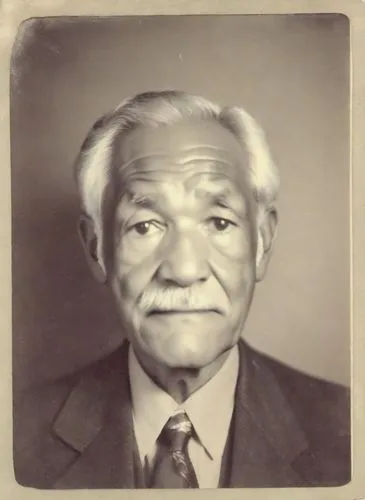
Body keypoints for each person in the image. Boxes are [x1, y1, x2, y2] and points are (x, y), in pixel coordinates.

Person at [13, 90, 350, 489]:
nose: (184, 270)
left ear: (261, 243)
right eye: (144, 226)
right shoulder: (15, 436)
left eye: (219, 223)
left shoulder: (348, 431)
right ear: (96, 248)